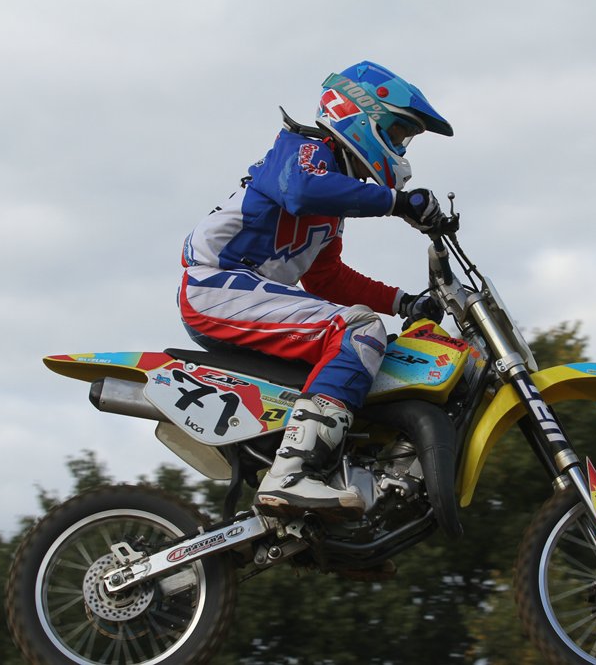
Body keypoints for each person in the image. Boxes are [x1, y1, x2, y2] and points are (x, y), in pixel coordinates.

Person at [178, 61, 453, 519]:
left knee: (367, 345)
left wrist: (404, 302)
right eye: (398, 132)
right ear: (361, 114)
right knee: (358, 331)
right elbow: (301, 190)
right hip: (217, 284)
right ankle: (292, 473)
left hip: (243, 293)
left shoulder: (331, 199)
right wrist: (398, 203)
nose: (400, 147)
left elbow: (327, 278)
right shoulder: (301, 149)